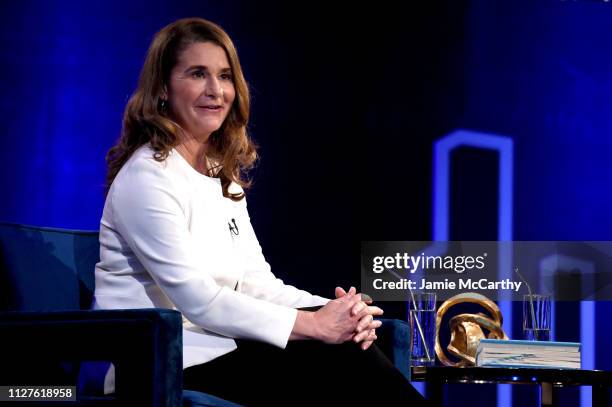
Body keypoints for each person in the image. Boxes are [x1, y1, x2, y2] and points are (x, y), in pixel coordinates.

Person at [93, 17, 426, 405]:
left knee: (346, 347)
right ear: (163, 88)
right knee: (336, 360)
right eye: (198, 74)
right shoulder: (147, 177)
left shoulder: (222, 176)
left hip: (224, 346)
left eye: (225, 76)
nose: (216, 91)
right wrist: (314, 324)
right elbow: (199, 299)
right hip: (168, 362)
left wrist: (334, 311)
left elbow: (256, 283)